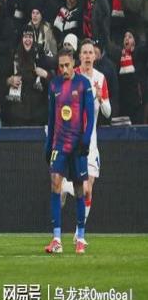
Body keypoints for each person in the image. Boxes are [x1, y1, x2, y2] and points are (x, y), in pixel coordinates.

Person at [45, 47, 94, 254]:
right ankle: (56, 239)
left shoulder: (83, 84)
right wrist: (48, 145)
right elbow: (51, 118)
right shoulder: (54, 85)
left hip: (77, 145)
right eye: (61, 66)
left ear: (74, 63)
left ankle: (80, 237)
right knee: (55, 182)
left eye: (67, 65)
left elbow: (90, 116)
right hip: (59, 143)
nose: (64, 69)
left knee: (79, 189)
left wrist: (86, 141)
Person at [61, 39, 111, 243]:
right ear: (79, 56)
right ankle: (66, 187)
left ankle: (78, 233)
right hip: (74, 137)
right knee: (85, 187)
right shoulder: (72, 77)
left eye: (91, 52)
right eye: (85, 52)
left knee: (89, 190)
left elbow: (108, 112)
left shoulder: (100, 78)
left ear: (95, 56)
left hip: (91, 140)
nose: (88, 56)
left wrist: (100, 97)